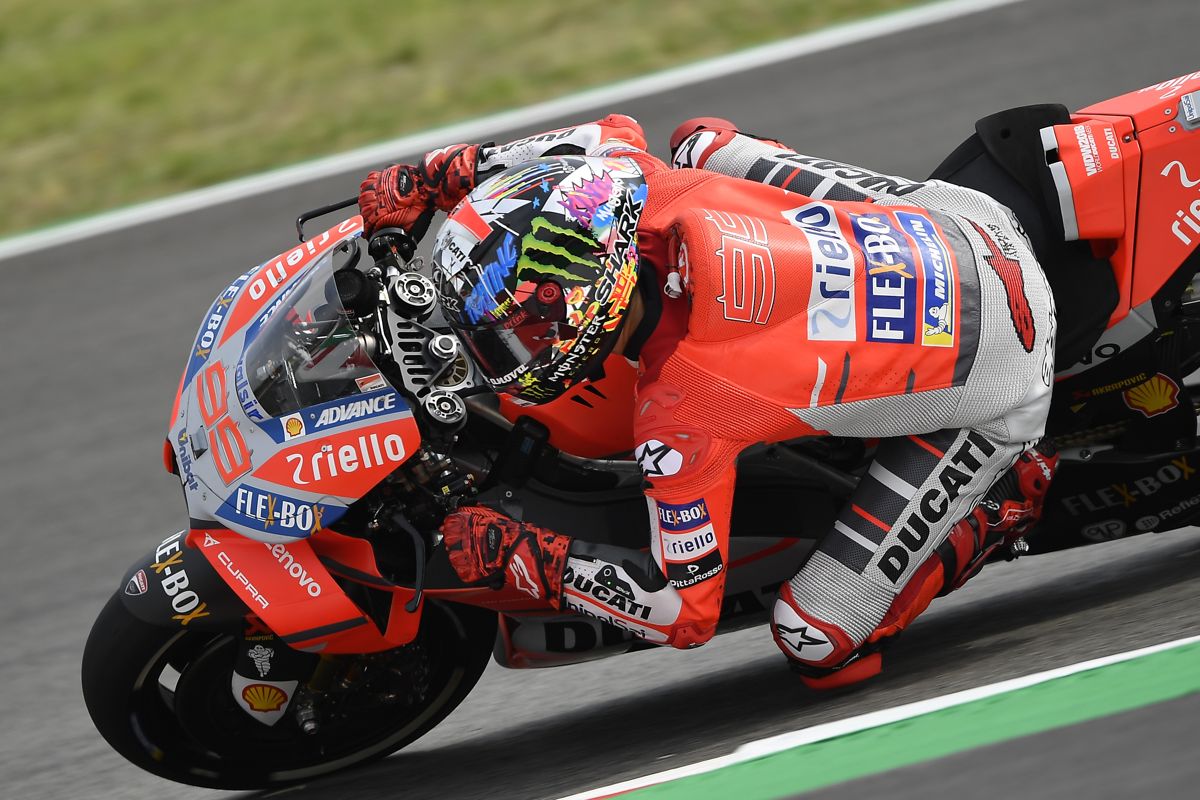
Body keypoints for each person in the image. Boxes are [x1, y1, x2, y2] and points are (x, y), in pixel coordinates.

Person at [357, 114, 1059, 688]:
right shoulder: (633, 181)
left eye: (519, 334)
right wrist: (437, 177)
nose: (505, 351)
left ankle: (1003, 509)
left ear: (588, 315)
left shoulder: (684, 411)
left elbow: (682, 611)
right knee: (701, 144)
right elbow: (602, 135)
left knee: (816, 638)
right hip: (964, 222)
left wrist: (524, 557)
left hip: (1005, 374)